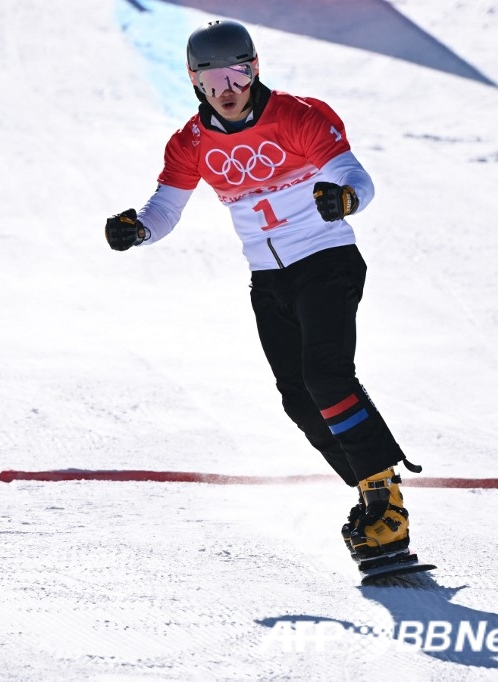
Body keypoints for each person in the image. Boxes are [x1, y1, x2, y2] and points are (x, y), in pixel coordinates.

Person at [105, 20, 420, 564]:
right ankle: (370, 489)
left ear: (255, 69)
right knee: (298, 395)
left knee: (326, 375)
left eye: (238, 73)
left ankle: (385, 502)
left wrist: (343, 200)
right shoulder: (191, 143)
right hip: (268, 278)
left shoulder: (297, 116)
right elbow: (166, 209)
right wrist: (139, 229)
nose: (227, 88)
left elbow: (357, 177)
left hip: (325, 261)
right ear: (194, 81)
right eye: (212, 77)